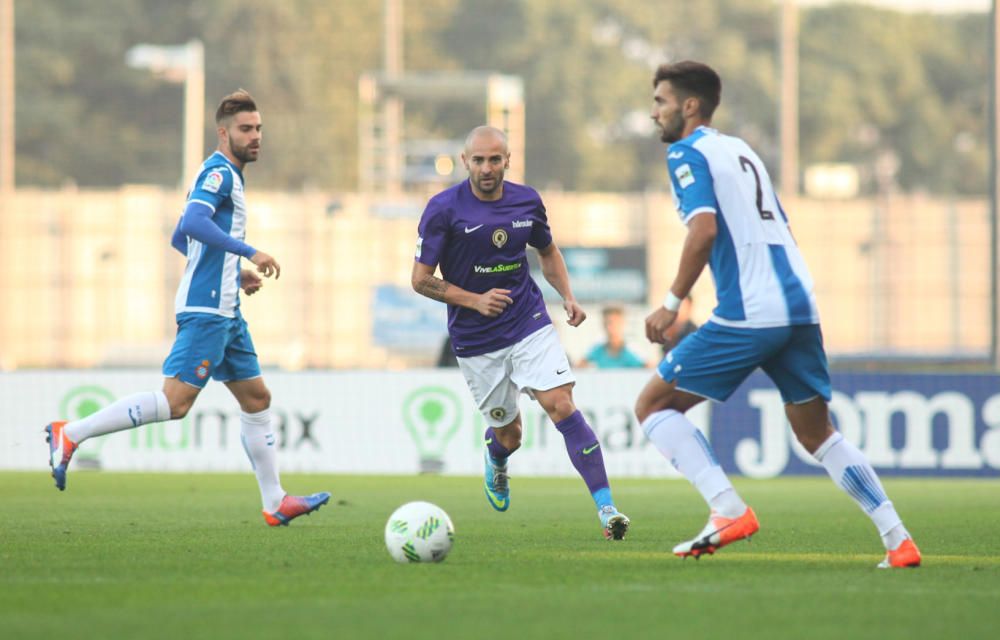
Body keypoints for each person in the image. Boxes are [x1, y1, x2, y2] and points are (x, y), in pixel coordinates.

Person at [636, 61, 920, 568]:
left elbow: (702, 231)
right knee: (817, 433)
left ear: (690, 105)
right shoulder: (742, 151)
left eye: (661, 101)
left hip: (750, 312)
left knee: (654, 406)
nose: (654, 111)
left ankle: (727, 508)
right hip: (799, 305)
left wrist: (672, 303)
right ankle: (898, 540)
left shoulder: (687, 152)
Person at [45, 90, 330, 527]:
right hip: (208, 311)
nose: (255, 137)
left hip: (227, 310)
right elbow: (193, 224)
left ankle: (275, 501)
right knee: (175, 403)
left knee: (257, 398)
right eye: (246, 130)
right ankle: (73, 433)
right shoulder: (219, 174)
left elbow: (182, 236)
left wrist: (233, 272)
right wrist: (249, 253)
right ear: (223, 133)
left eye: (258, 130)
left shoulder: (224, 173)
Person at [411, 125, 630, 540]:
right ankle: (496, 458)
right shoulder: (442, 209)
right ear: (465, 162)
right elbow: (421, 280)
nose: (487, 167)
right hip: (476, 340)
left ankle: (607, 509)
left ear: (508, 160)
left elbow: (547, 251)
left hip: (527, 320)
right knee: (510, 435)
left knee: (561, 404)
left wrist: (567, 295)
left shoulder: (527, 201)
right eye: (478, 160)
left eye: (495, 159)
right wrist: (474, 300)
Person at [577, 305, 646, 368]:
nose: (609, 327)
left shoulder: (631, 350)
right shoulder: (598, 350)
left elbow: (647, 367)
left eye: (613, 323)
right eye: (606, 323)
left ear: (622, 323)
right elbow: (579, 366)